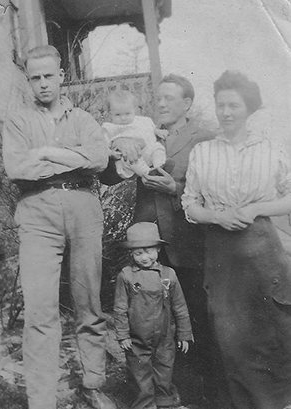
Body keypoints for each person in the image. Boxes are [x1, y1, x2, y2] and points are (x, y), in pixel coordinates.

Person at [2, 45, 116, 409]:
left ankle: (93, 383)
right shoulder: (18, 121)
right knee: (40, 310)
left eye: (49, 76)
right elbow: (18, 169)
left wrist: (48, 154)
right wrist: (74, 159)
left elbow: (99, 159)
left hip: (83, 209)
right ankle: (42, 398)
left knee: (89, 304)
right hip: (37, 212)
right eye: (35, 78)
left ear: (62, 76)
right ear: (28, 80)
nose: (43, 84)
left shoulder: (82, 118)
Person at [182, 70, 291, 409]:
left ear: (249, 109)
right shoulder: (203, 153)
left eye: (234, 105)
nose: (226, 113)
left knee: (273, 334)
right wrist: (218, 216)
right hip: (222, 256)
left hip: (263, 253)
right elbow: (190, 204)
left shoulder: (271, 150)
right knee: (230, 338)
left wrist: (258, 207)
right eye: (221, 105)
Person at [109, 74, 215, 404]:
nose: (162, 103)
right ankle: (160, 394)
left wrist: (177, 189)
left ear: (187, 104)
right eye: (159, 98)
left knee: (191, 315)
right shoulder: (141, 130)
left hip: (187, 242)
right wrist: (117, 149)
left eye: (170, 98)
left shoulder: (204, 138)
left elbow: (214, 190)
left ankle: (202, 392)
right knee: (150, 322)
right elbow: (109, 176)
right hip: (148, 246)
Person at [114, 222, 193, 409]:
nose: (144, 257)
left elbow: (180, 307)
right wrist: (123, 334)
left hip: (165, 337)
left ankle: (166, 404)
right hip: (137, 338)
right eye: (138, 253)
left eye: (149, 250)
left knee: (165, 371)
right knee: (140, 375)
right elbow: (120, 308)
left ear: (158, 248)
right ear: (131, 254)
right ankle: (145, 405)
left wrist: (184, 334)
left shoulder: (169, 275)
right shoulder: (126, 276)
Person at [102, 89, 167, 178]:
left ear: (134, 110)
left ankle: (160, 166)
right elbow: (103, 145)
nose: (123, 118)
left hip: (148, 151)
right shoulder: (110, 127)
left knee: (157, 147)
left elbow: (151, 128)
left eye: (127, 113)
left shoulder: (142, 120)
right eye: (118, 115)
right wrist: (111, 153)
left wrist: (158, 131)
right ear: (110, 114)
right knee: (130, 157)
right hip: (130, 158)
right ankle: (147, 173)